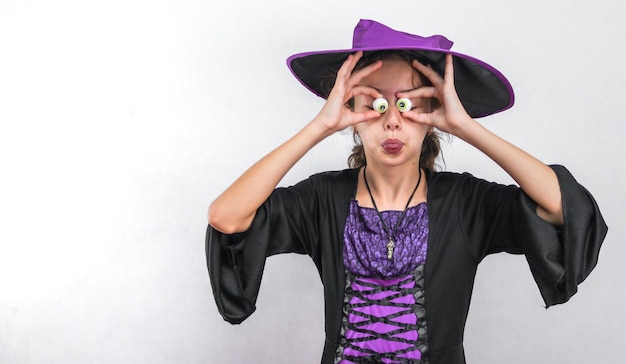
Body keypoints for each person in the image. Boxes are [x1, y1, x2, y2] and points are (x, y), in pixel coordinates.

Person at [206, 19, 607, 363]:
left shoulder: (465, 204)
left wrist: (466, 126)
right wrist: (318, 127)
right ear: (350, 110)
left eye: (409, 104)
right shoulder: (321, 200)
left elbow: (561, 208)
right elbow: (226, 217)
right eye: (376, 103)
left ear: (433, 113)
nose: (393, 121)